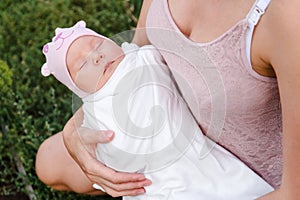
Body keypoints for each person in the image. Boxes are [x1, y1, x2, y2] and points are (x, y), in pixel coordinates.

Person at [36, 0, 300, 199]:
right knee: (48, 161)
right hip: (167, 124)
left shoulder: (286, 15)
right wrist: (75, 130)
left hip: (250, 180)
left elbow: (294, 192)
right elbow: (135, 53)